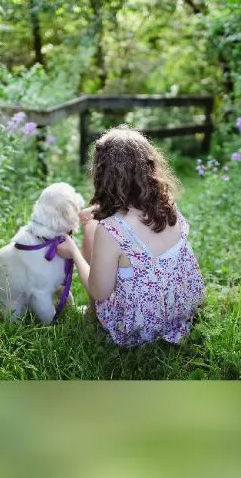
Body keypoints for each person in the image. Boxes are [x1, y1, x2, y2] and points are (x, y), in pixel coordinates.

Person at [57, 127, 205, 346]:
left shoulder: (109, 230)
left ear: (102, 174)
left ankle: (92, 313)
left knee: (91, 228)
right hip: (181, 309)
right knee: (97, 227)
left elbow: (100, 292)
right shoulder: (168, 206)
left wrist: (74, 254)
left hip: (139, 327)